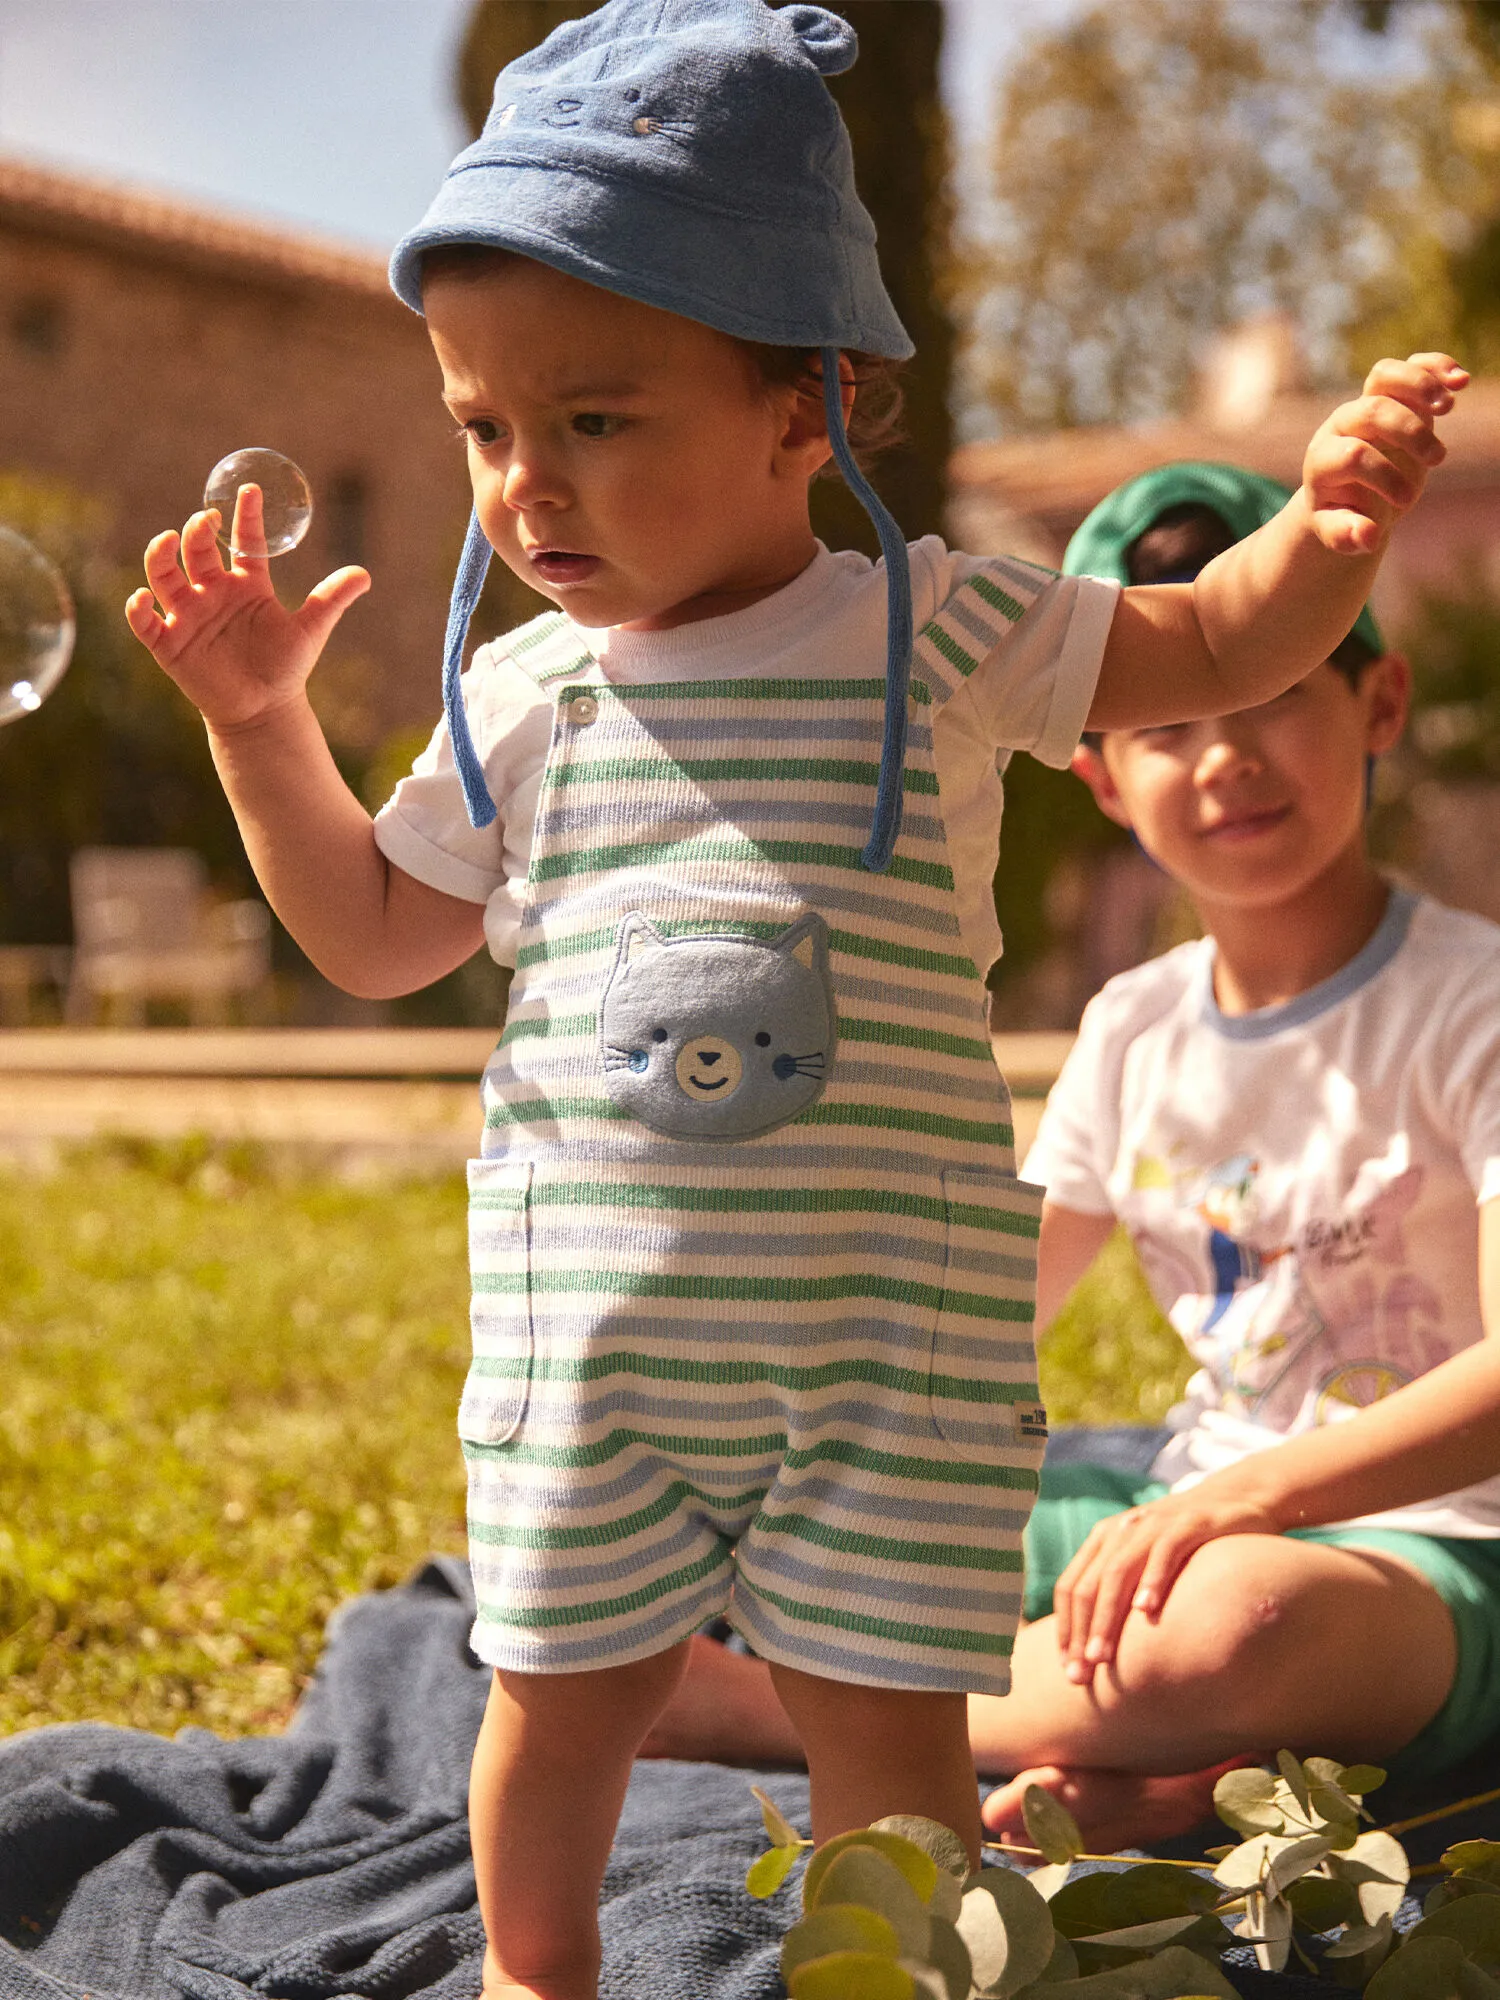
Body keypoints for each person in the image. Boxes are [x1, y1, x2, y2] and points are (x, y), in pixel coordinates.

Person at [122, 0, 1464, 1980]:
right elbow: (379, 936)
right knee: (557, 1707)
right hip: (603, 1347)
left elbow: (1199, 639)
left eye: (592, 418)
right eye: (484, 428)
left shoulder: (941, 624)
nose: (524, 486)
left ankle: (894, 1961)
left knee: (889, 1744)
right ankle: (533, 1966)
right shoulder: (524, 697)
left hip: (885, 1364)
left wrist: (1327, 536)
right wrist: (261, 728)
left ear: (799, 404)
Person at [640, 458, 1500, 1860]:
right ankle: (1169, 1776)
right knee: (820, 1510)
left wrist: (1249, 1500)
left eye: (1281, 692)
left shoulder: (1474, 1002)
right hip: (1186, 1503)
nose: (1227, 755)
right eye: (1176, 727)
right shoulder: (1135, 1024)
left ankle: (773, 1712)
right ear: (1102, 775)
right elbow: (975, 1316)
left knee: (1235, 1626)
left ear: (1380, 705)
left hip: (1437, 1549)